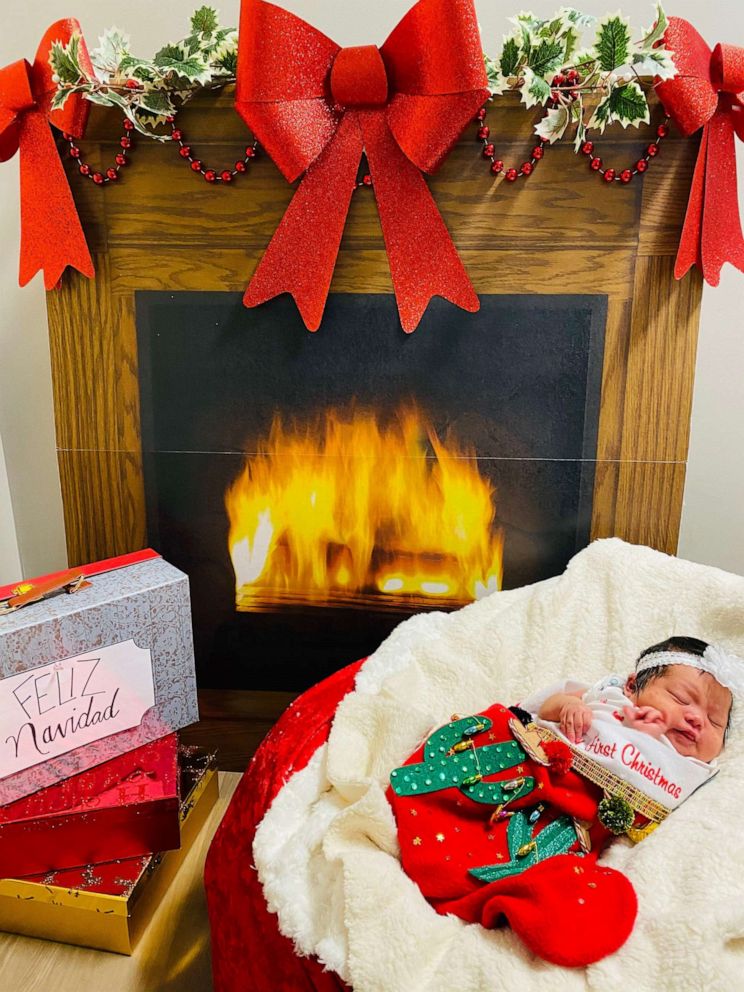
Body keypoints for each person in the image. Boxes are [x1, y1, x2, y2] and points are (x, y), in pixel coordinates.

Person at [386, 635, 743, 966]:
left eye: (715, 721)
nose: (696, 718)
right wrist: (570, 708)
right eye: (681, 698)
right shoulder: (610, 700)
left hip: (573, 817)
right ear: (634, 686)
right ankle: (437, 810)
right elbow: (543, 709)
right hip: (538, 765)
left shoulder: (691, 769)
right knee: (486, 755)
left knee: (548, 867)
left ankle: (506, 891)